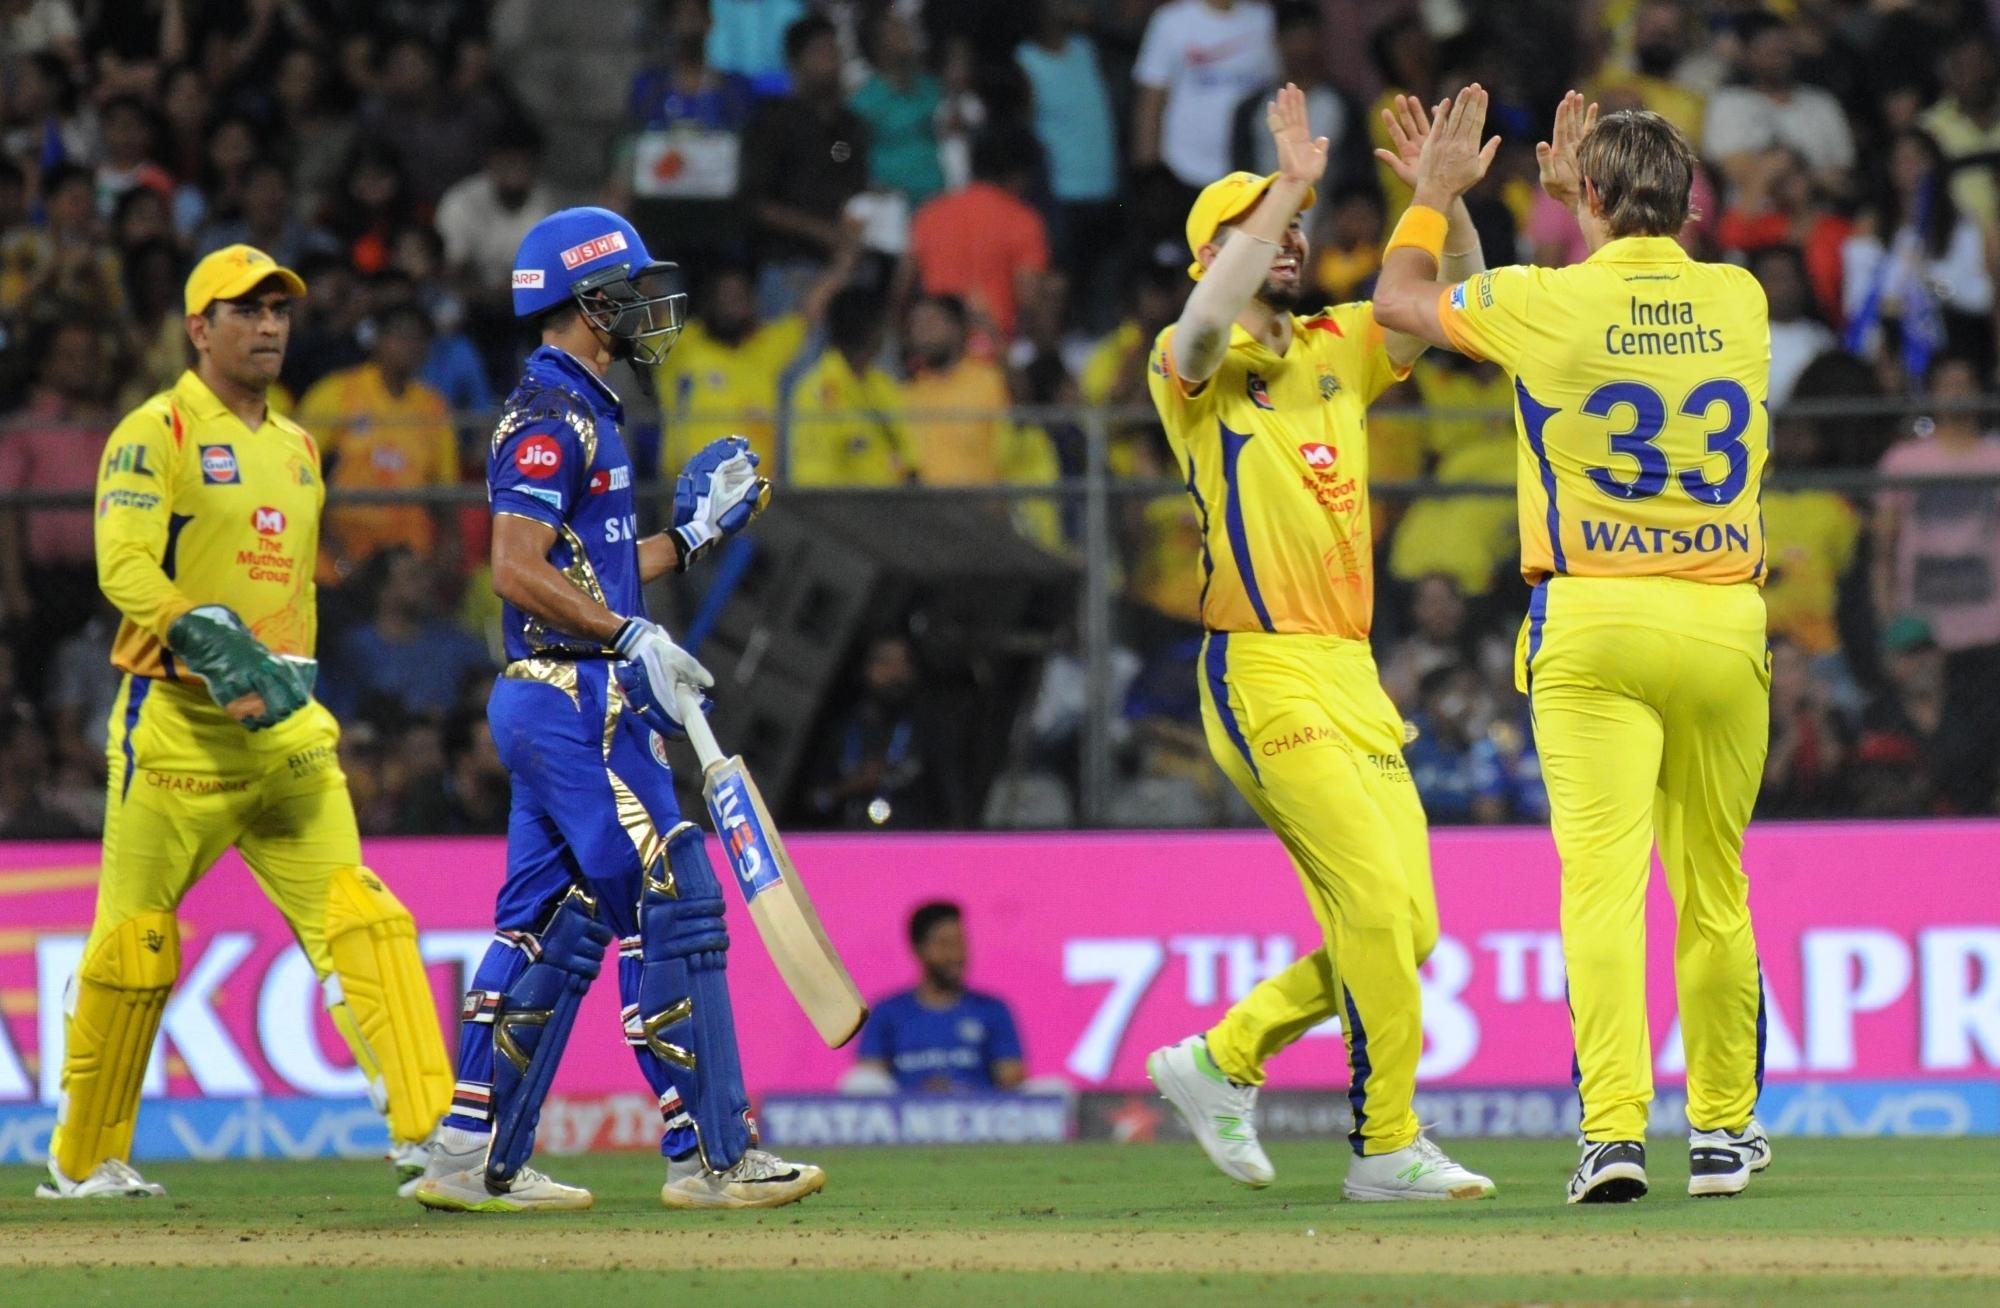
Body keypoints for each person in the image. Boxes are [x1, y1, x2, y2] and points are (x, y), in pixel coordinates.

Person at [1372, 90, 1775, 1202]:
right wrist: (1586, 214)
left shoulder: (1546, 302)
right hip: (1721, 621)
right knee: (1714, 890)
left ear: (1587, 197)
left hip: (1594, 621)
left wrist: (1433, 194)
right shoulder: (1740, 298)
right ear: (1689, 207)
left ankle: (1612, 1137)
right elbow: (1621, 305)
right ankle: (1722, 1135)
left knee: (1601, 891)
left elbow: (1401, 300)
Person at [410, 206, 822, 1213]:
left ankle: (470, 1153)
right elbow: (515, 569)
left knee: (552, 922)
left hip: (556, 696)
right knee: (675, 896)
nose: (648, 309)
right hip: (577, 697)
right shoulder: (552, 415)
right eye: (630, 293)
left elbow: (584, 565)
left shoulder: (582, 406)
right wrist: (628, 637)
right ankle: (714, 1155)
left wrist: (687, 540)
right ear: (587, 303)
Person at [40, 243, 453, 1199]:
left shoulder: (301, 447)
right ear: (199, 328)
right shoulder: (156, 432)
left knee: (363, 919)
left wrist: (290, 677)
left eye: (279, 310)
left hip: (282, 736)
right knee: (134, 950)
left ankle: (440, 1140)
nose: (269, 326)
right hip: (175, 731)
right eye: (246, 310)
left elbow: (293, 592)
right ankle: (84, 1161)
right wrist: (203, 637)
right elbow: (122, 564)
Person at [1140, 86, 1493, 1203]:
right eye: (1263, 227)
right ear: (1213, 255)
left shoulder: (1341, 339)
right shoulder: (1188, 360)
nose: (1288, 237)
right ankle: (1384, 1145)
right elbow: (1206, 321)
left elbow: (1461, 302)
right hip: (1259, 667)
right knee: (1377, 911)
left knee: (1410, 928)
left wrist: (1440, 196)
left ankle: (1221, 1058)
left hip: (1351, 669)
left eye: (1294, 222)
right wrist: (1288, 179)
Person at [296, 300, 461, 579]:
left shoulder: (433, 407)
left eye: (419, 338)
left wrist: (449, 545)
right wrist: (331, 545)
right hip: (340, 551)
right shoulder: (338, 391)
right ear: (378, 340)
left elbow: (446, 489)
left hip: (409, 558)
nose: (410, 346)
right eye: (401, 335)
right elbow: (297, 467)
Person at [855, 902, 1025, 1092]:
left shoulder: (991, 1010)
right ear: (918, 949)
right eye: (945, 944)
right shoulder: (887, 1012)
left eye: (960, 943)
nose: (956, 954)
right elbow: (870, 1078)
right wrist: (923, 1095)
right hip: (907, 1109)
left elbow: (1012, 1081)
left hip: (976, 1109)